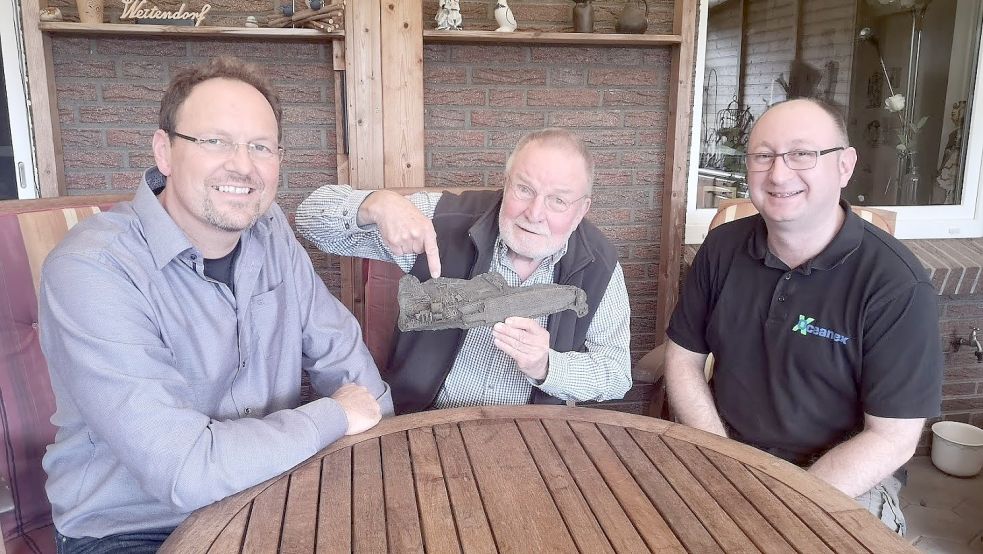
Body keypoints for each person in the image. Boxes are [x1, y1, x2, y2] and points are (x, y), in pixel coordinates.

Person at [39, 57, 393, 553]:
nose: (243, 165)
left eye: (260, 147)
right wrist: (334, 416)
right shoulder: (92, 269)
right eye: (215, 141)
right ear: (165, 151)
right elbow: (182, 469)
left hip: (271, 494)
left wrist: (376, 447)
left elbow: (347, 362)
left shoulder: (270, 233)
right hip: (138, 529)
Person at [664, 98, 942, 534]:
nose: (778, 173)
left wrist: (786, 506)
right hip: (724, 445)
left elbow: (892, 437)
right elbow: (683, 359)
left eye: (802, 154)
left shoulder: (896, 284)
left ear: (844, 166)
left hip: (842, 476)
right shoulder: (721, 250)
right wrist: (720, 460)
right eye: (763, 156)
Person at [296, 128, 632, 413]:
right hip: (422, 423)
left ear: (581, 210)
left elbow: (617, 374)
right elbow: (309, 218)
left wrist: (547, 365)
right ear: (506, 182)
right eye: (524, 189)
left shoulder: (598, 264)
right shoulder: (442, 220)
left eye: (558, 200)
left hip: (530, 439)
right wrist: (373, 205)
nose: (535, 213)